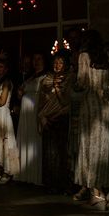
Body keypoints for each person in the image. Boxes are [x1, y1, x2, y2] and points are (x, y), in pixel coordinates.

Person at [73, 30, 109, 207]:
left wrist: (73, 85)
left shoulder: (84, 56)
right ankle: (104, 189)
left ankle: (95, 191)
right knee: (104, 146)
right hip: (107, 104)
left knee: (90, 146)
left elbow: (82, 82)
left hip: (91, 104)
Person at [38, 51, 73, 193]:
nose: (57, 65)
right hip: (47, 118)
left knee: (61, 153)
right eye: (55, 62)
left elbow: (66, 102)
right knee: (49, 153)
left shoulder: (69, 78)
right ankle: (50, 184)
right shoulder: (46, 78)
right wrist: (41, 117)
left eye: (60, 62)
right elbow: (41, 100)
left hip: (61, 118)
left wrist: (58, 88)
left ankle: (63, 184)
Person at [15, 52, 46, 185]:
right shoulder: (30, 77)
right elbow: (20, 94)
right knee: (25, 139)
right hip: (25, 114)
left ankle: (35, 176)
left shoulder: (46, 76)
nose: (36, 62)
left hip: (35, 112)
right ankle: (24, 174)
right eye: (34, 59)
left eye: (39, 58)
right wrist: (20, 94)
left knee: (34, 141)